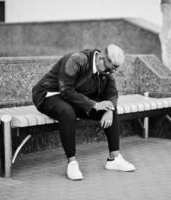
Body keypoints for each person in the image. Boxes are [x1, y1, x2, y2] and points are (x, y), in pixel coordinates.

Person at [32, 44, 135, 180]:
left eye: (114, 70)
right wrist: (94, 104)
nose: (112, 73)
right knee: (67, 111)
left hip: (75, 96)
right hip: (49, 94)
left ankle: (114, 159)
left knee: (109, 108)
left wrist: (109, 109)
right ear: (101, 58)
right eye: (110, 69)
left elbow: (112, 94)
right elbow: (65, 90)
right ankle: (72, 163)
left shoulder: (107, 70)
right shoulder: (77, 59)